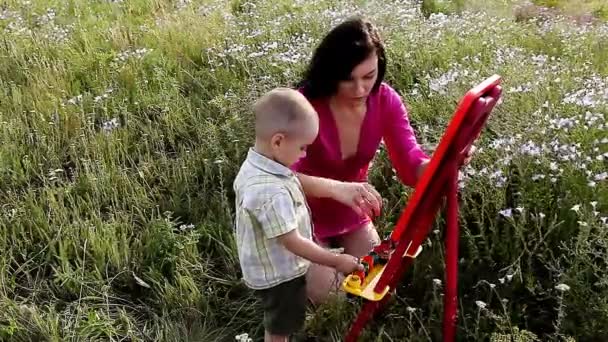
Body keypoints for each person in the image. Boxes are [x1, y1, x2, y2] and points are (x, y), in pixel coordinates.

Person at [290, 17, 436, 304]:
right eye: (348, 79)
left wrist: (438, 164)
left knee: (380, 283)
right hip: (298, 212)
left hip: (349, 212)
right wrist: (338, 188)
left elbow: (409, 164)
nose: (359, 90)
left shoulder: (385, 101)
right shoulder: (303, 104)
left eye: (368, 77)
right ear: (331, 74)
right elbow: (278, 177)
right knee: (331, 296)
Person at [233, 87, 364, 342]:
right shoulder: (271, 191)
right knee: (282, 322)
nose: (304, 155)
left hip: (269, 262)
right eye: (303, 148)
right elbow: (292, 241)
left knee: (284, 315)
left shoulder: (258, 166)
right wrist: (335, 261)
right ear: (278, 141)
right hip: (280, 274)